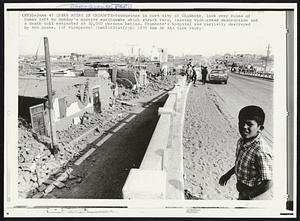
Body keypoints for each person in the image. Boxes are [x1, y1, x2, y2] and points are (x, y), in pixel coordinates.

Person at [219, 105, 273, 200]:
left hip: (256, 194)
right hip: (244, 189)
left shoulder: (261, 151)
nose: (244, 127)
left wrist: (249, 196)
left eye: (249, 124)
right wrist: (228, 174)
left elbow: (268, 183)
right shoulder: (242, 141)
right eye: (241, 122)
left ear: (260, 128)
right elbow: (241, 163)